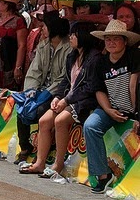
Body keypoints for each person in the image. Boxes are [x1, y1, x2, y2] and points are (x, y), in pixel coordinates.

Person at [22, 23, 101, 177]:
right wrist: (58, 97)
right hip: (67, 98)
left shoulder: (95, 58)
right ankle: (39, 162)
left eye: (74, 35)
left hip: (83, 102)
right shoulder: (72, 56)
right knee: (44, 121)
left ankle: (58, 164)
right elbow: (65, 81)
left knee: (60, 121)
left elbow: (89, 88)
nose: (70, 38)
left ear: (84, 36)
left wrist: (66, 100)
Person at [83, 20, 140, 193]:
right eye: (108, 39)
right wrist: (108, 110)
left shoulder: (134, 56)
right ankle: (102, 175)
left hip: (134, 109)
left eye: (116, 39)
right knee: (90, 126)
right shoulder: (100, 62)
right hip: (110, 108)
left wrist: (137, 115)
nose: (111, 43)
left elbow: (134, 86)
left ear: (125, 41)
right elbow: (99, 90)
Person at [15, 13, 71, 163]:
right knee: (22, 107)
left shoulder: (69, 48)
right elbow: (35, 70)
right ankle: (24, 147)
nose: (42, 29)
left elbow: (63, 78)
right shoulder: (43, 45)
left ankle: (41, 151)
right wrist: (30, 91)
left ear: (55, 28)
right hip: (39, 90)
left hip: (57, 93)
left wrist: (47, 93)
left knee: (41, 111)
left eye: (45, 26)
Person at [0, 0, 28, 90]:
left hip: (9, 61)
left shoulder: (18, 21)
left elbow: (21, 45)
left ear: (6, 5)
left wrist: (18, 67)